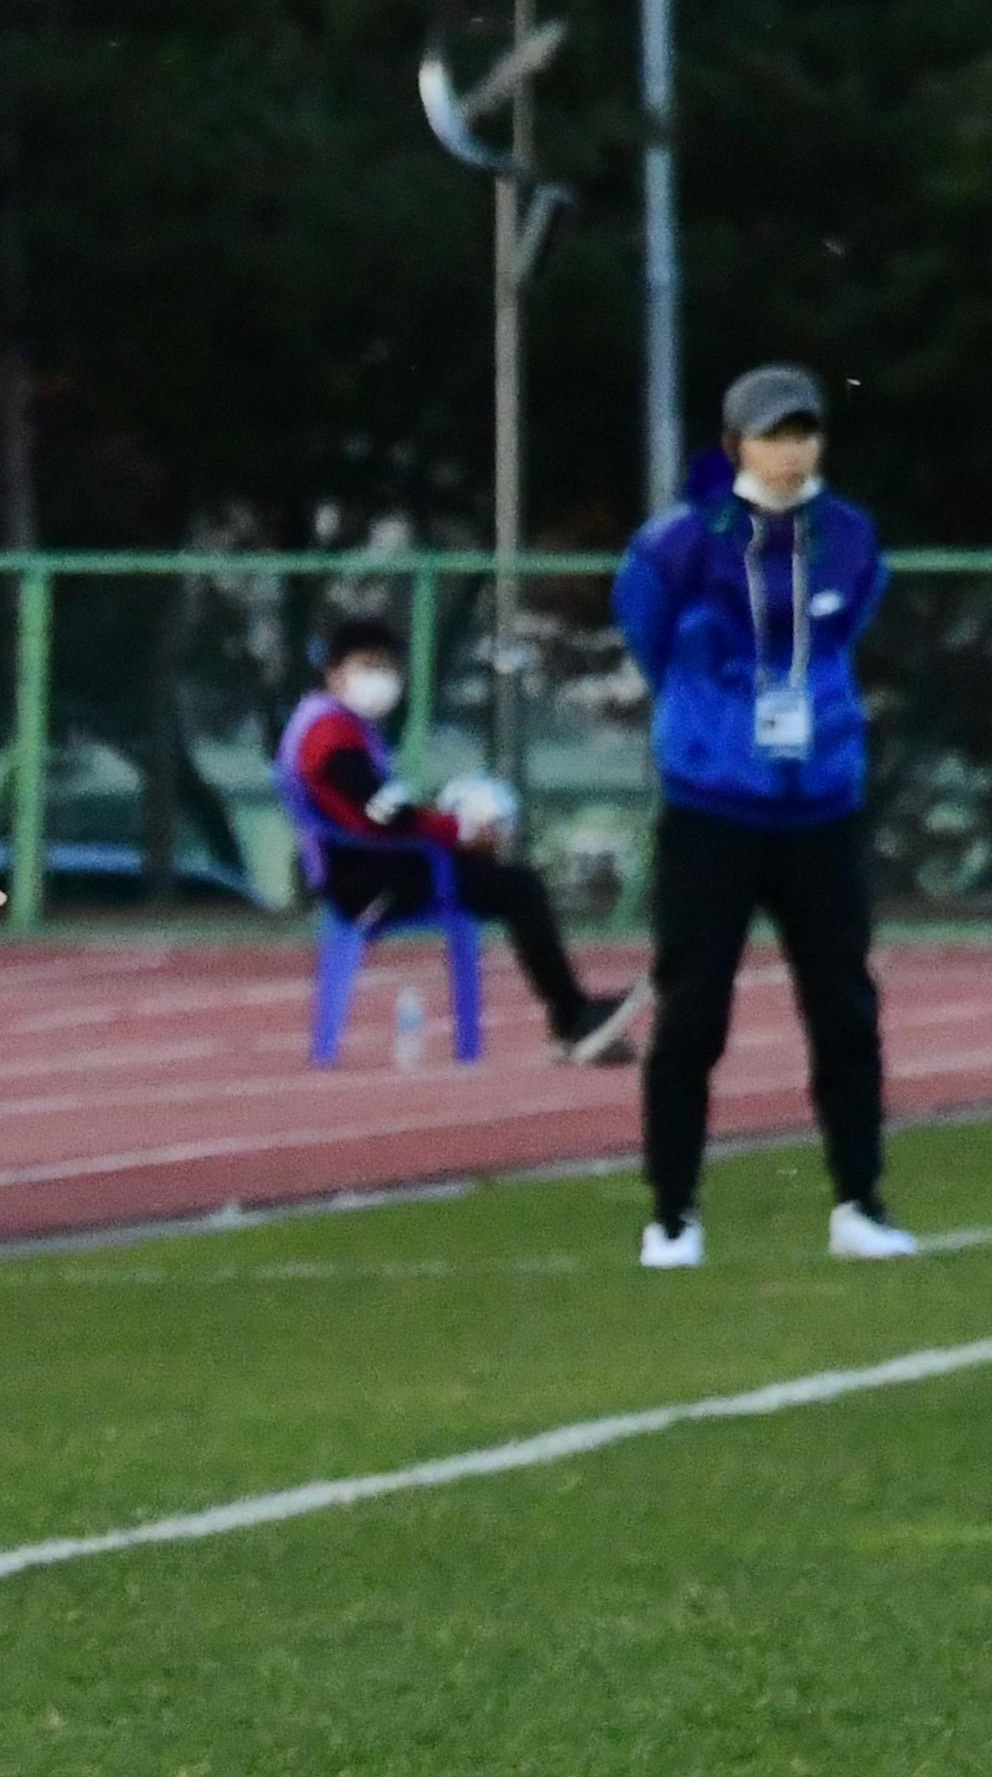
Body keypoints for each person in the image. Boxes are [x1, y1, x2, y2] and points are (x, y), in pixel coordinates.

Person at [614, 364, 908, 1265]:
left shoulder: (850, 537)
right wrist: (714, 731)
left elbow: (851, 627)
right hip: (713, 805)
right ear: (737, 441)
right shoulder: (680, 543)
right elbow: (647, 633)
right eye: (774, 434)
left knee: (844, 1008)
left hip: (818, 802)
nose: (792, 451)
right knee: (692, 1009)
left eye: (805, 432)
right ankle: (672, 1213)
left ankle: (859, 1201)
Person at [277, 614, 634, 1058]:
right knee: (520, 888)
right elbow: (381, 811)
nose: (381, 678)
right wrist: (458, 830)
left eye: (388, 667)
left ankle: (572, 1015)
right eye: (367, 665)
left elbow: (379, 810)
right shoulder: (329, 731)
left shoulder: (332, 724)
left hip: (375, 869)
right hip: (366, 882)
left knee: (505, 878)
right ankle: (571, 1017)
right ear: (334, 672)